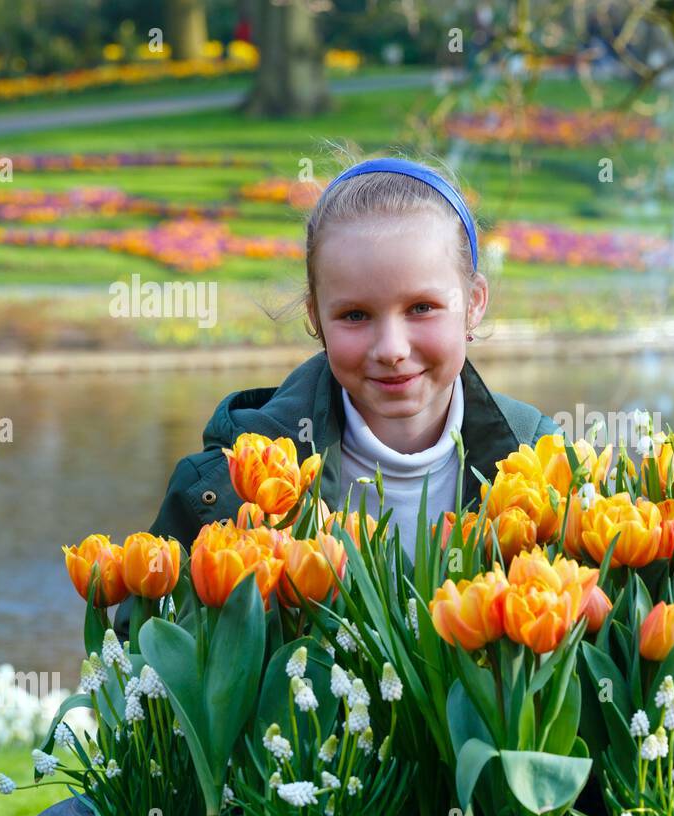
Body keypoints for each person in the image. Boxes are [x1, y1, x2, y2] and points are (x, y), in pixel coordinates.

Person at [113, 155, 560, 640]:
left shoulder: (539, 463)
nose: (391, 350)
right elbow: (144, 661)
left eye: (422, 307)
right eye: (354, 315)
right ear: (315, 317)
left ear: (473, 304)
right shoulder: (228, 480)